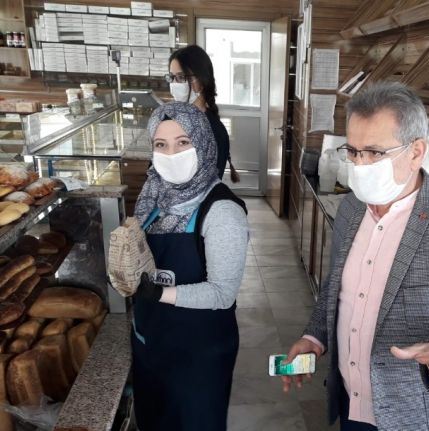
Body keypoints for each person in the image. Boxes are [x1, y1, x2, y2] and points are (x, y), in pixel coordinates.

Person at [282, 81, 429, 430]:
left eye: (374, 153)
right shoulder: (352, 208)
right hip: (353, 407)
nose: (360, 165)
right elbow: (340, 289)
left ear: (416, 152)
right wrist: (314, 337)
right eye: (353, 151)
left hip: (423, 419)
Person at [131, 102, 249, 430]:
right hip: (151, 343)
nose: (171, 154)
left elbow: (222, 293)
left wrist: (158, 293)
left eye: (183, 142)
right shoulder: (154, 197)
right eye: (161, 144)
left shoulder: (222, 211)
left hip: (198, 354)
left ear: (203, 143)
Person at [167, 45, 239, 182]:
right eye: (171, 77)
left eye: (181, 77)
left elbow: (207, 184)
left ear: (201, 81)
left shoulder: (214, 131)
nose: (174, 84)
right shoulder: (171, 121)